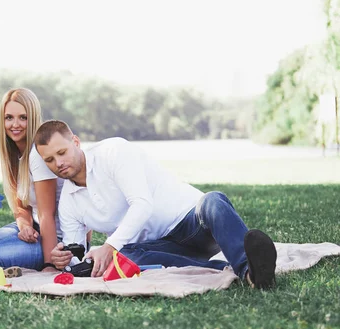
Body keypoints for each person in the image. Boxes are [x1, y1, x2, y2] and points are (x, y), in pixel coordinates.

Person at [34, 120, 277, 289]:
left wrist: (108, 246)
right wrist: (66, 258)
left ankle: (249, 271)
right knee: (123, 256)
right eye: (50, 160)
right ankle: (226, 269)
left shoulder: (113, 151)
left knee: (213, 200)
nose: (59, 163)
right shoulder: (69, 201)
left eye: (62, 152)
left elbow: (141, 204)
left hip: (192, 223)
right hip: (157, 249)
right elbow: (79, 254)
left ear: (75, 142)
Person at [0, 88, 64, 271]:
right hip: (34, 229)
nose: (15, 124)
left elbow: (46, 214)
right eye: (9, 118)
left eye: (22, 118)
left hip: (57, 240)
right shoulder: (15, 155)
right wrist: (24, 226)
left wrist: (50, 264)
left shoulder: (38, 154)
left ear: (32, 118)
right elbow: (21, 206)